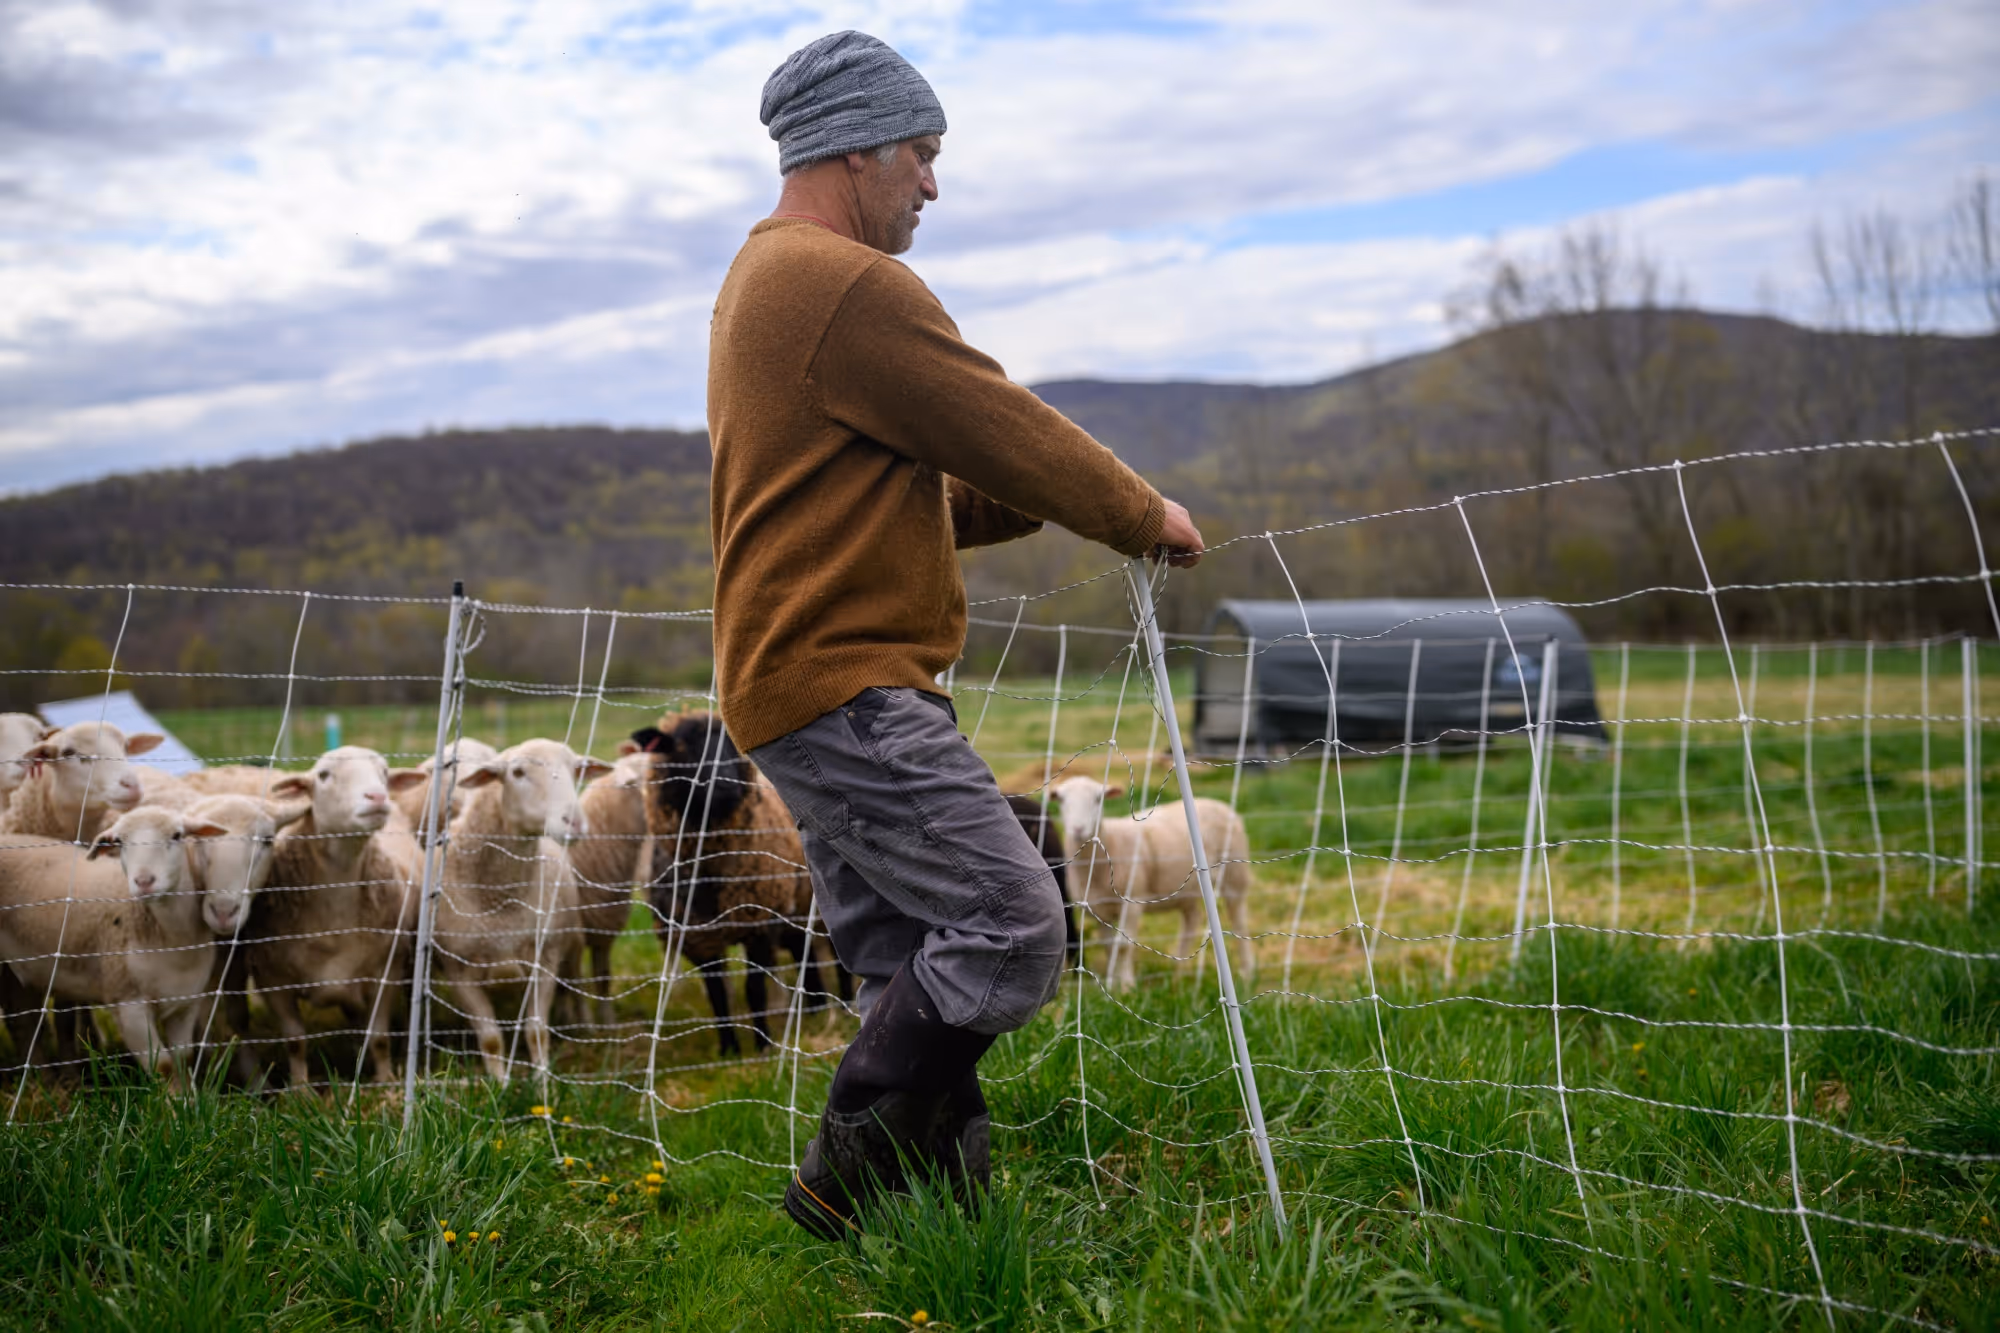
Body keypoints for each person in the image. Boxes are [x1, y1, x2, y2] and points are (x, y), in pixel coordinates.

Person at [707, 29, 1205, 1240]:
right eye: (922, 153)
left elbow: (881, 489)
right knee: (1013, 923)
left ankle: (948, 1226)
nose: (933, 183)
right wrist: (1137, 514)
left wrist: (1014, 491)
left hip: (791, 682)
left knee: (905, 956)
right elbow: (993, 416)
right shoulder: (841, 281)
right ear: (858, 148)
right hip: (846, 681)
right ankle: (839, 1170)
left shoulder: (760, 278)